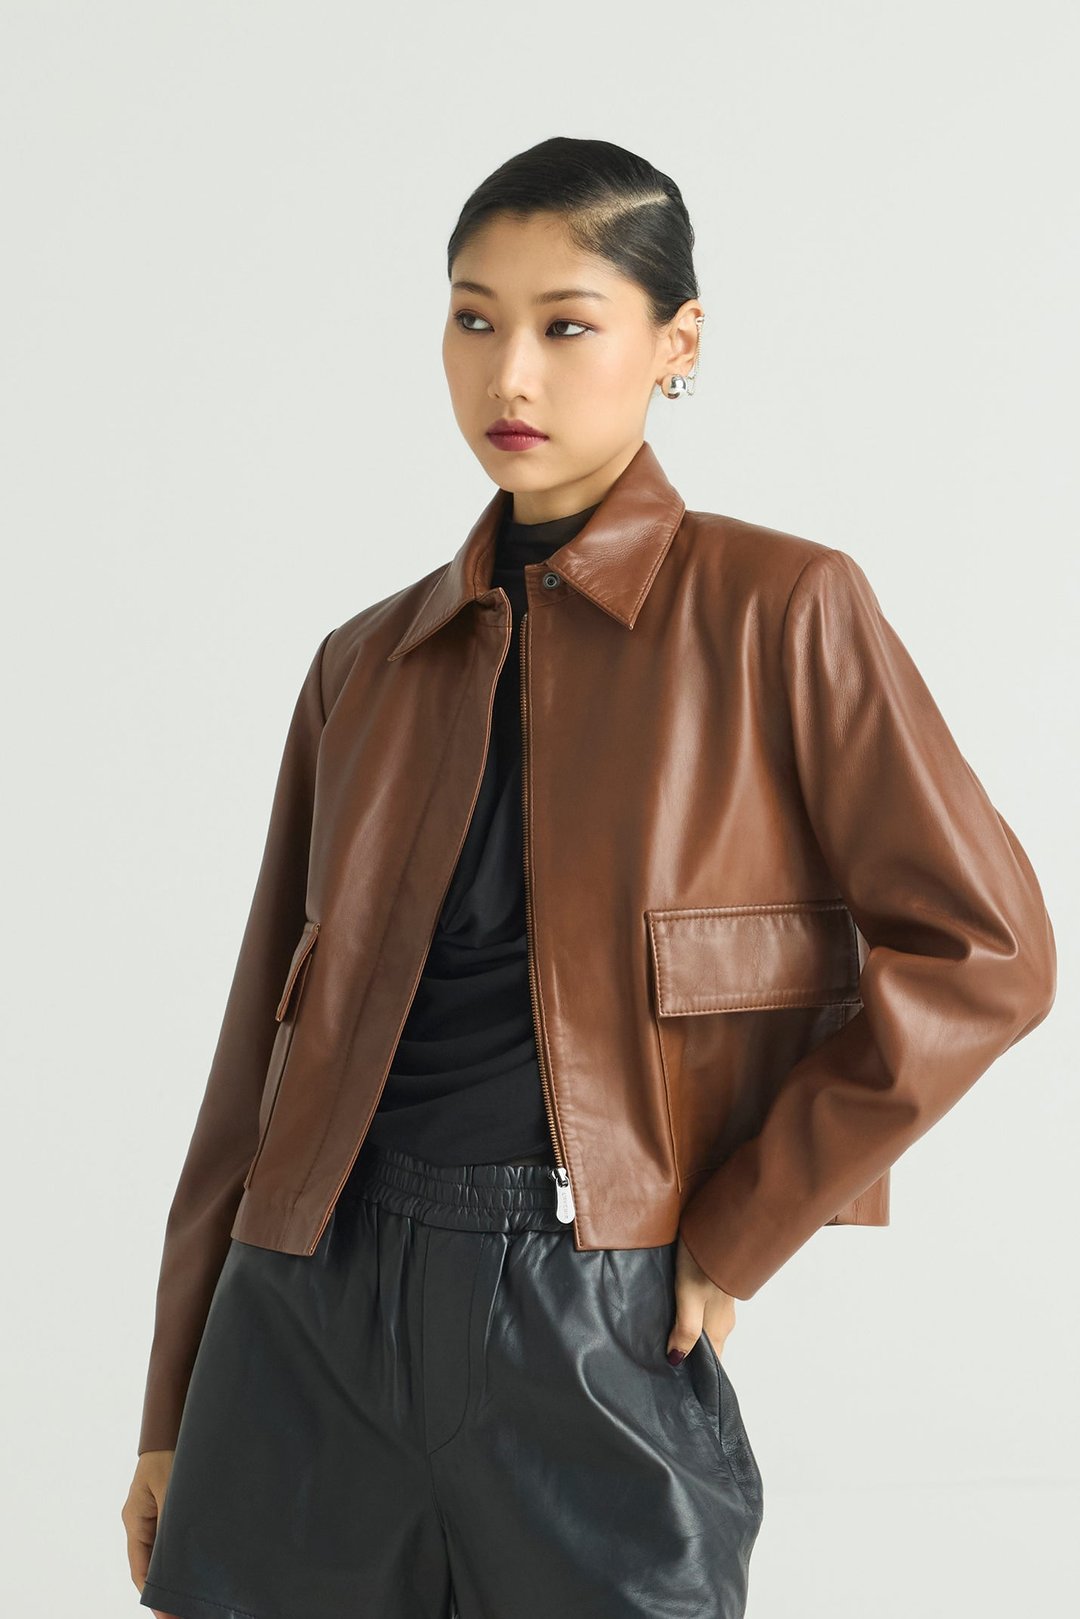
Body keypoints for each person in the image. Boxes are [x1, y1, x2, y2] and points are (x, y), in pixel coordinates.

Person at [121, 136, 1056, 1619]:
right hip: (299, 1312)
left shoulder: (780, 608)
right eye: (473, 318)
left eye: (567, 324)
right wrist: (173, 1400)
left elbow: (988, 953)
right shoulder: (362, 665)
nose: (511, 375)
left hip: (588, 1309)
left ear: (677, 343)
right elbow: (256, 1057)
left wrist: (743, 1228)